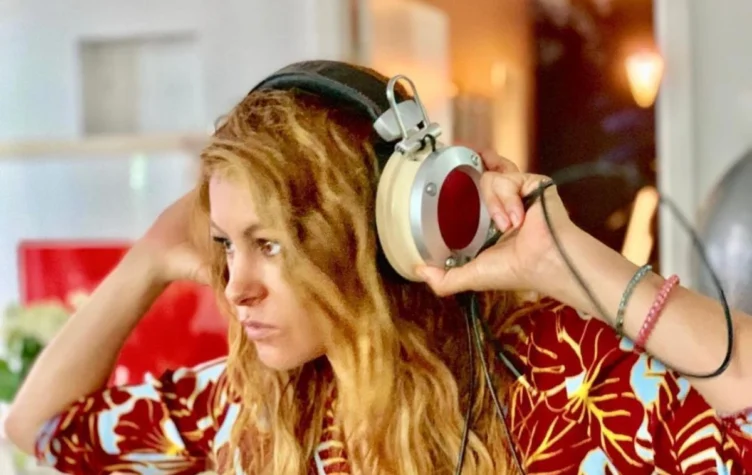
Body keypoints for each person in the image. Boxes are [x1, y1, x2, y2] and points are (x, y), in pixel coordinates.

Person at [5, 61, 752, 475]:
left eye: (271, 244)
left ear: (382, 229)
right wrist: (148, 259)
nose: (236, 288)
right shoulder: (253, 403)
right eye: (227, 245)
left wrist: (568, 261)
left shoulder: (547, 377)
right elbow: (39, 428)